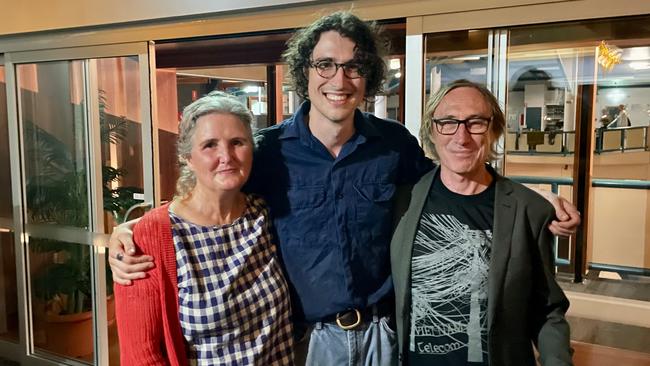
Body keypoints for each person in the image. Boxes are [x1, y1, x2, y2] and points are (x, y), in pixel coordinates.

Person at [109, 12, 580, 365]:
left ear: (369, 77)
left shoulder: (393, 144)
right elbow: (212, 187)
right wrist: (130, 231)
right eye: (326, 65)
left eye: (354, 67)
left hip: (386, 335)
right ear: (306, 74)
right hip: (306, 342)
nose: (340, 79)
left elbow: (457, 176)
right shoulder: (268, 150)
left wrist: (534, 201)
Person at [391, 80, 573, 365]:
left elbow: (546, 310)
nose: (461, 137)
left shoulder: (529, 211)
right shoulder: (402, 201)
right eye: (448, 122)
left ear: (494, 130)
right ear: (432, 130)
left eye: (475, 123)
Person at [113, 91, 293, 365]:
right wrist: (128, 230)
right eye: (210, 145)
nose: (226, 156)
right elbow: (142, 356)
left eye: (237, 142)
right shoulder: (156, 236)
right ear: (188, 157)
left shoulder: (263, 213)